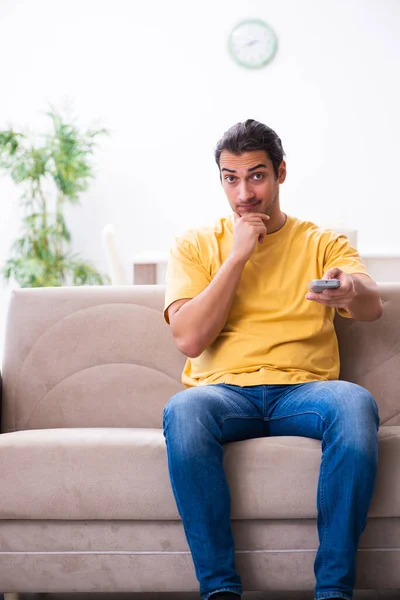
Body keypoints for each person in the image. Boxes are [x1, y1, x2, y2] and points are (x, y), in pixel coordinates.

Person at [162, 119, 382, 600]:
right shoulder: (196, 245)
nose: (244, 192)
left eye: (257, 175)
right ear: (220, 179)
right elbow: (190, 340)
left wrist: (349, 288)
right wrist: (237, 257)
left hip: (304, 392)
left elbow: (371, 306)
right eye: (231, 178)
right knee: (183, 410)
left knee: (354, 404)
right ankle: (220, 590)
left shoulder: (321, 242)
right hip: (222, 394)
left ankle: (334, 590)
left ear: (281, 172)